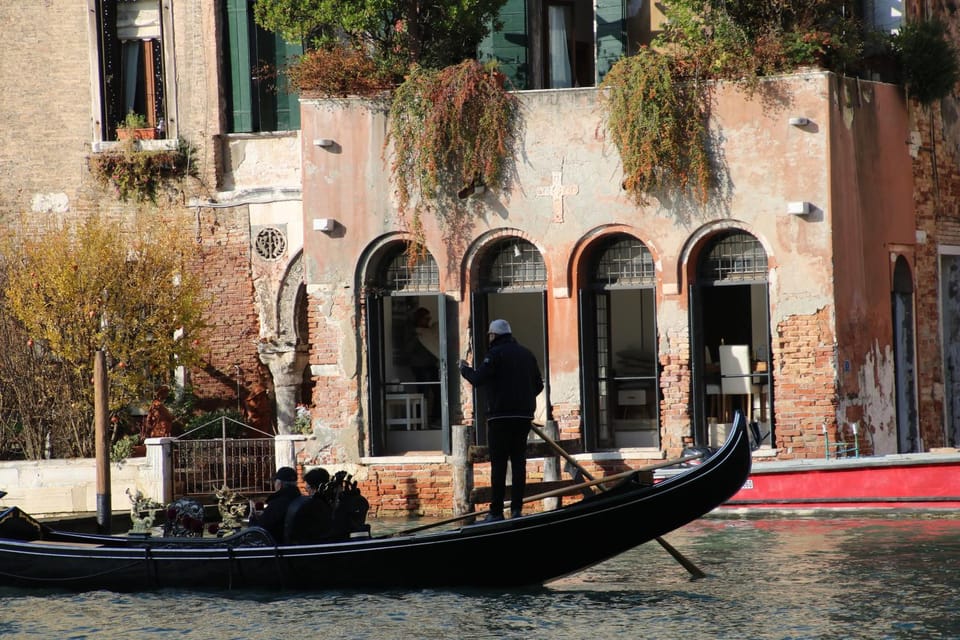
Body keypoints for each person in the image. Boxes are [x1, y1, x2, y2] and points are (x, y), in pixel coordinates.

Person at [459, 319, 544, 522]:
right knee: (518, 464)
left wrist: (464, 369)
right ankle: (516, 510)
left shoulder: (494, 354)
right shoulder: (527, 354)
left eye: (490, 335)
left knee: (499, 465)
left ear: (494, 336)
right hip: (523, 417)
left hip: (500, 418)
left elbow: (478, 379)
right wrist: (522, 398)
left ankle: (496, 512)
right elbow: (538, 386)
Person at [248, 466, 302, 543]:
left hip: (278, 547)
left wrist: (252, 519)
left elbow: (259, 529)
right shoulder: (299, 498)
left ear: (279, 484)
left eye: (275, 482)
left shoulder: (278, 503)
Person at [409, 307, 441, 425]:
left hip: (432, 365)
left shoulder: (431, 331)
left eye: (429, 318)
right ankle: (420, 421)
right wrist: (417, 337)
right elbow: (408, 349)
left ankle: (436, 418)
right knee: (423, 393)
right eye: (426, 318)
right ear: (419, 319)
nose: (428, 321)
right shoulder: (414, 333)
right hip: (420, 367)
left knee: (438, 392)